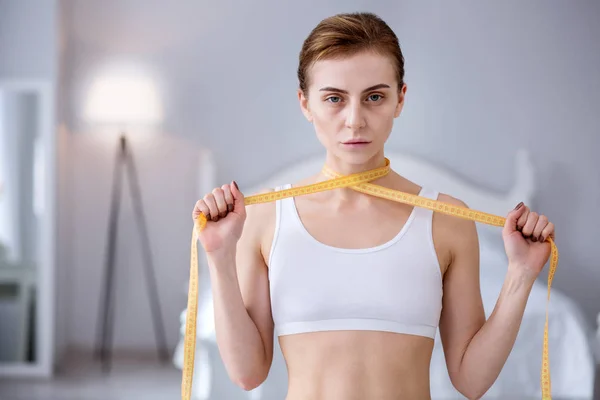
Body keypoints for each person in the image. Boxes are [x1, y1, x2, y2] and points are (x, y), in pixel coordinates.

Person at [192, 12, 555, 400]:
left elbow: (471, 381)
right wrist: (219, 255)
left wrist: (520, 273)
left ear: (400, 99)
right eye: (334, 98)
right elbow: (247, 374)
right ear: (305, 103)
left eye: (374, 97)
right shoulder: (265, 220)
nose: (354, 121)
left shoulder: (446, 221)